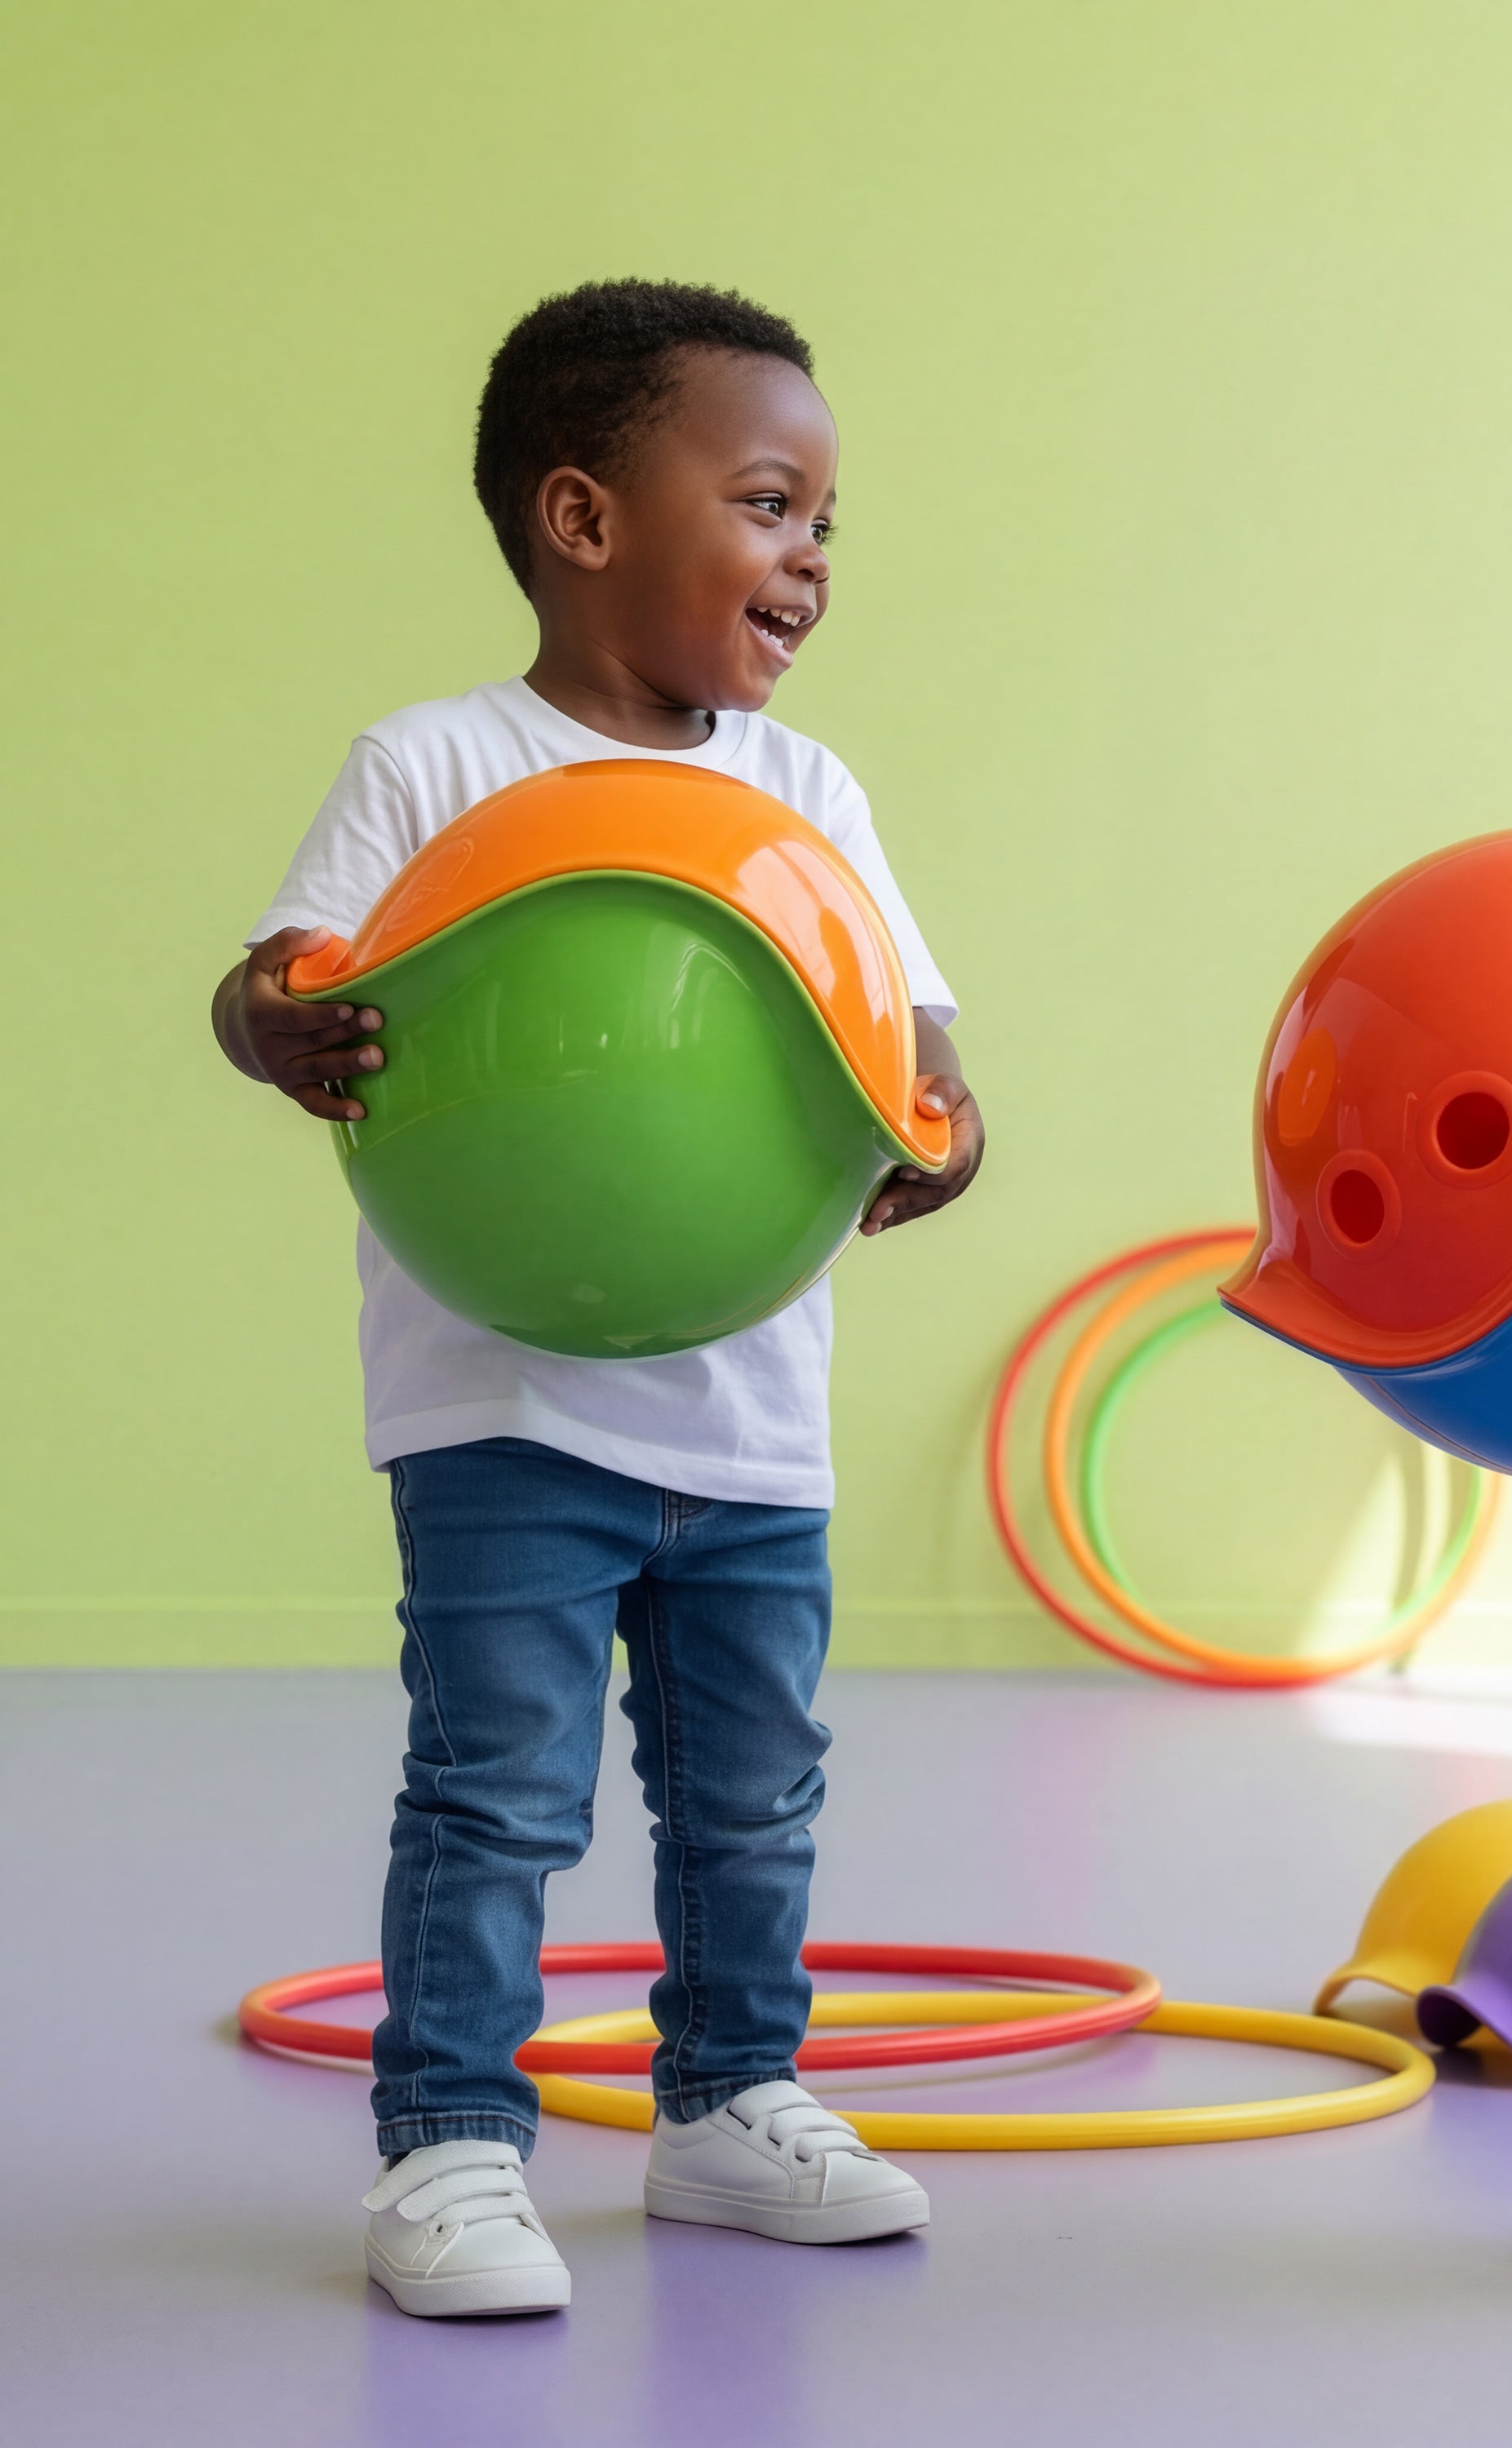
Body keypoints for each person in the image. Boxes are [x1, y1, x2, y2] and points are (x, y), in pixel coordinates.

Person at [210, 280, 985, 2319]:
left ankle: (730, 2101)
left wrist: (942, 1127)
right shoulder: (435, 763)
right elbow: (280, 976)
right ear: (583, 517)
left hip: (750, 1411)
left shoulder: (809, 793)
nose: (813, 554)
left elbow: (913, 1040)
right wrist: (276, 1024)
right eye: (769, 503)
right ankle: (452, 2141)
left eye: (825, 519)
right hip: (500, 1399)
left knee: (753, 1791)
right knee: (496, 1788)